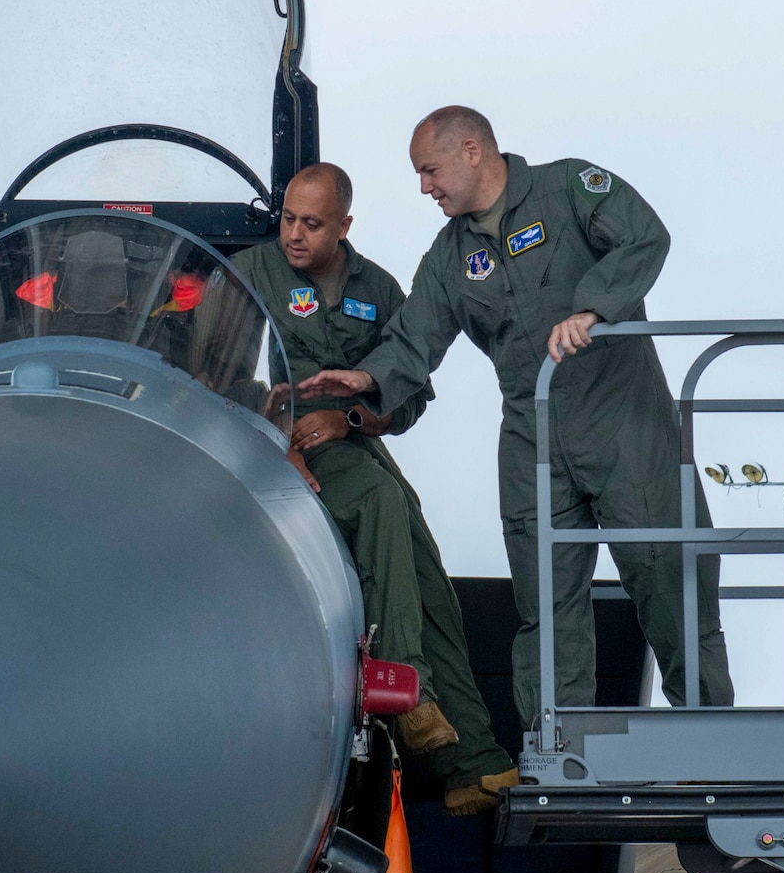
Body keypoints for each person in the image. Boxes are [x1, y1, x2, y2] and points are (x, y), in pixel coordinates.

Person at [299, 108, 733, 729]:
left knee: (670, 585)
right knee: (547, 609)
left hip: (626, 424)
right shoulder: (450, 256)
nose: (425, 187)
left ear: (472, 151)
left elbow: (645, 236)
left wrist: (593, 308)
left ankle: (711, 742)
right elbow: (416, 335)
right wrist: (366, 380)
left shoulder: (570, 190)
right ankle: (559, 751)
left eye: (430, 170)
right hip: (533, 440)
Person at [233, 162, 518, 815]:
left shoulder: (379, 289)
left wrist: (355, 416)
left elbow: (412, 390)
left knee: (427, 576)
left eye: (311, 224)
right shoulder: (249, 275)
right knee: (383, 504)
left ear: (344, 226)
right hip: (281, 441)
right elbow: (212, 371)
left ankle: (471, 761)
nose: (294, 237)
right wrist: (275, 421)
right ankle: (403, 684)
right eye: (287, 220)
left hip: (353, 442)